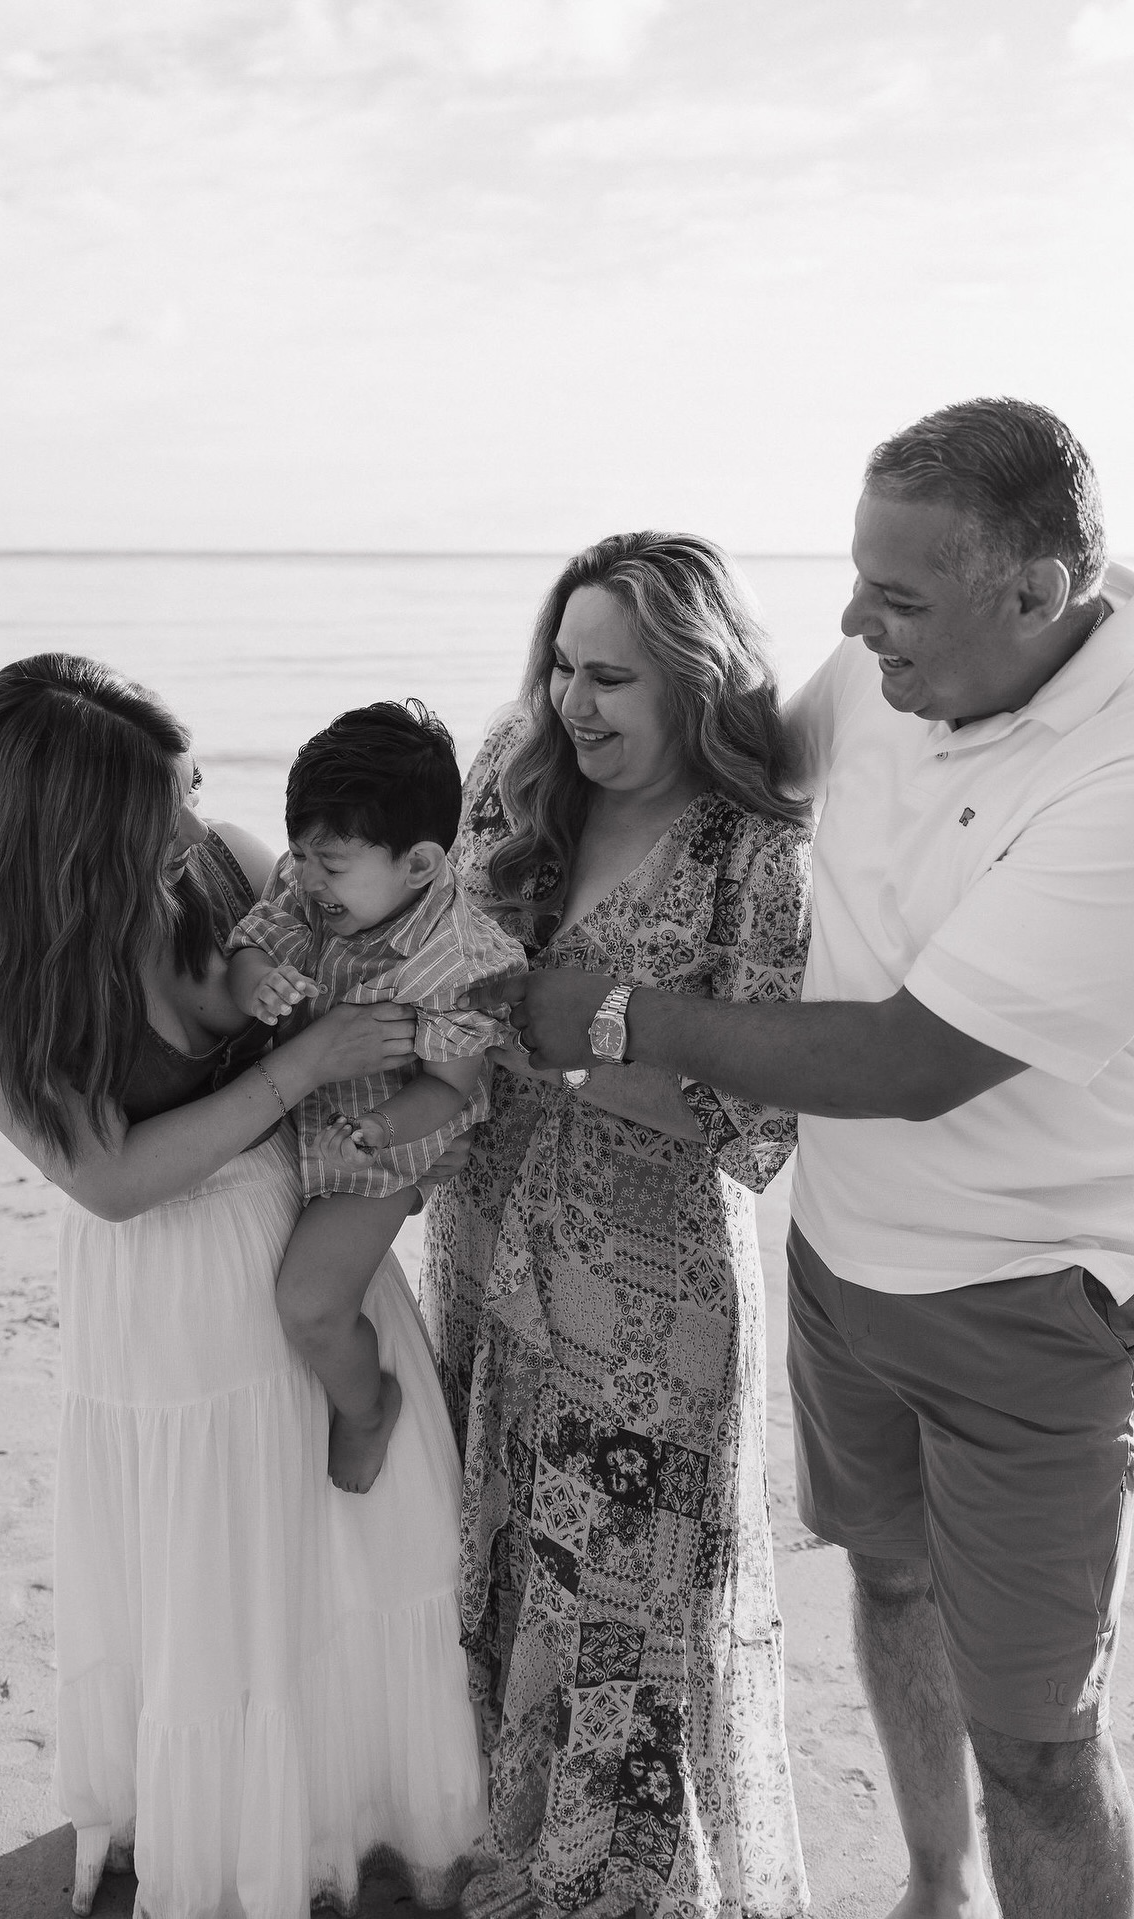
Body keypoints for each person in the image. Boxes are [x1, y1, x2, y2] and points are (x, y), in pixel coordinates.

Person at [479, 399, 1134, 1919]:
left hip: (1029, 1303)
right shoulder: (904, 655)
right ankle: (931, 1880)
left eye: (895, 598)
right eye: (858, 580)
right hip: (841, 1266)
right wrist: (559, 742)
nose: (850, 625)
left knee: (1038, 1736)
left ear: (1036, 593)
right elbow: (735, 748)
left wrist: (627, 1013)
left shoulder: (1115, 781)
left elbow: (906, 1059)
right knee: (889, 1584)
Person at [0, 654, 486, 1919]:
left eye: (190, 778)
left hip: (303, 1214)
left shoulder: (211, 862)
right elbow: (110, 1178)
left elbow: (360, 944)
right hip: (164, 1286)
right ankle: (239, 1834)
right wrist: (300, 1059)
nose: (195, 814)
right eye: (163, 800)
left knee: (354, 1543)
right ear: (72, 830)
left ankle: (354, 1807)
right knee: (222, 1579)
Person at [420, 532, 813, 1918]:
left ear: (697, 680)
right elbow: (433, 968)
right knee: (500, 1553)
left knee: (628, 1612)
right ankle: (504, 1844)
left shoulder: (753, 853)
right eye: (561, 666)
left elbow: (762, 1129)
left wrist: (582, 1042)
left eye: (613, 678)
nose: (575, 704)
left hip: (649, 1295)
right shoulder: (514, 782)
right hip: (484, 1235)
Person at [227, 700, 526, 1493]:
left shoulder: (457, 960)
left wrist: (373, 1130)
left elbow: (447, 1091)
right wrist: (259, 986)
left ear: (420, 865)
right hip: (292, 1105)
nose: (305, 879)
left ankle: (367, 1406)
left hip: (381, 1148)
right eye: (298, 855)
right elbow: (250, 945)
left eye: (332, 863)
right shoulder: (308, 889)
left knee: (311, 1304)